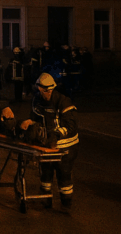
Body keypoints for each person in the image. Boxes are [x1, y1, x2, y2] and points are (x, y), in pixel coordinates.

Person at [20, 73, 79, 209]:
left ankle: (66, 201)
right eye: (44, 91)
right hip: (46, 145)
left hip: (66, 146)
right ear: (39, 89)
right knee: (45, 171)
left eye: (49, 90)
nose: (47, 93)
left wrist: (57, 135)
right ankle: (45, 198)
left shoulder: (63, 102)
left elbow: (71, 125)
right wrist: (29, 122)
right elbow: (35, 117)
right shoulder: (37, 100)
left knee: (63, 173)